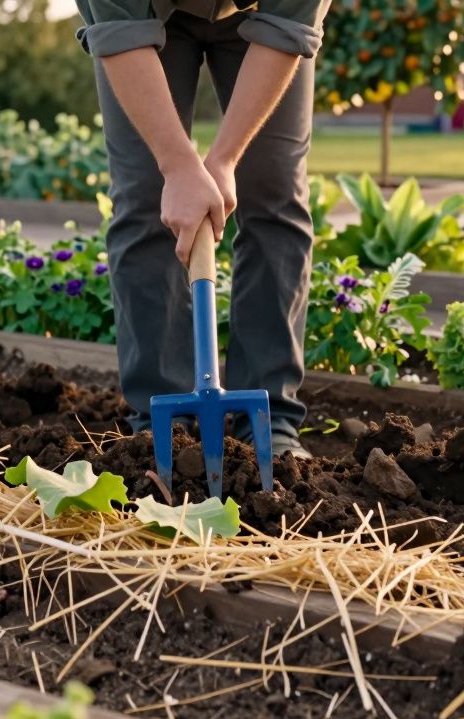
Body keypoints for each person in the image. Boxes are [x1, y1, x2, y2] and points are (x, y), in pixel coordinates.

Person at [76, 0, 331, 459]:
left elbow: (284, 27)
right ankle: (163, 421)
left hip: (263, 14)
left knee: (274, 192)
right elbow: (121, 33)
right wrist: (177, 166)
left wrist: (225, 159)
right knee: (145, 196)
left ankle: (268, 418)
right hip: (145, 15)